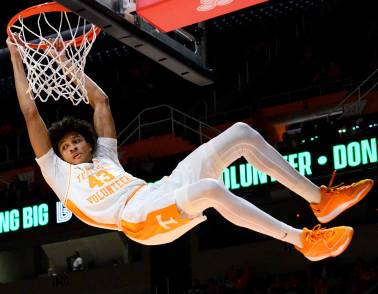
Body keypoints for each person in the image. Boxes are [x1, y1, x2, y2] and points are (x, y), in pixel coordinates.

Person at [8, 39, 374, 262]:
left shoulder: (104, 156)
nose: (71, 147)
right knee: (211, 191)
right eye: (66, 146)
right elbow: (29, 111)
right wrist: (15, 55)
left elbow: (100, 101)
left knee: (242, 133)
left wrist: (63, 61)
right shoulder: (59, 175)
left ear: (89, 143)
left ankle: (320, 200)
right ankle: (303, 241)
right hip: (137, 221)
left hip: (157, 190)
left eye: (76, 141)